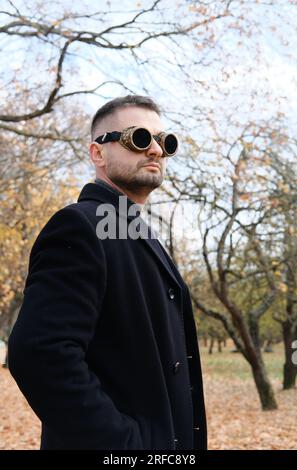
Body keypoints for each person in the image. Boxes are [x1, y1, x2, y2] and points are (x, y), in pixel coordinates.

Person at [8, 95, 207, 450]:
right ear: (97, 153)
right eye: (139, 138)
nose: (156, 151)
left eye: (165, 142)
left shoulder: (134, 232)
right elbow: (39, 354)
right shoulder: (79, 226)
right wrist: (126, 446)